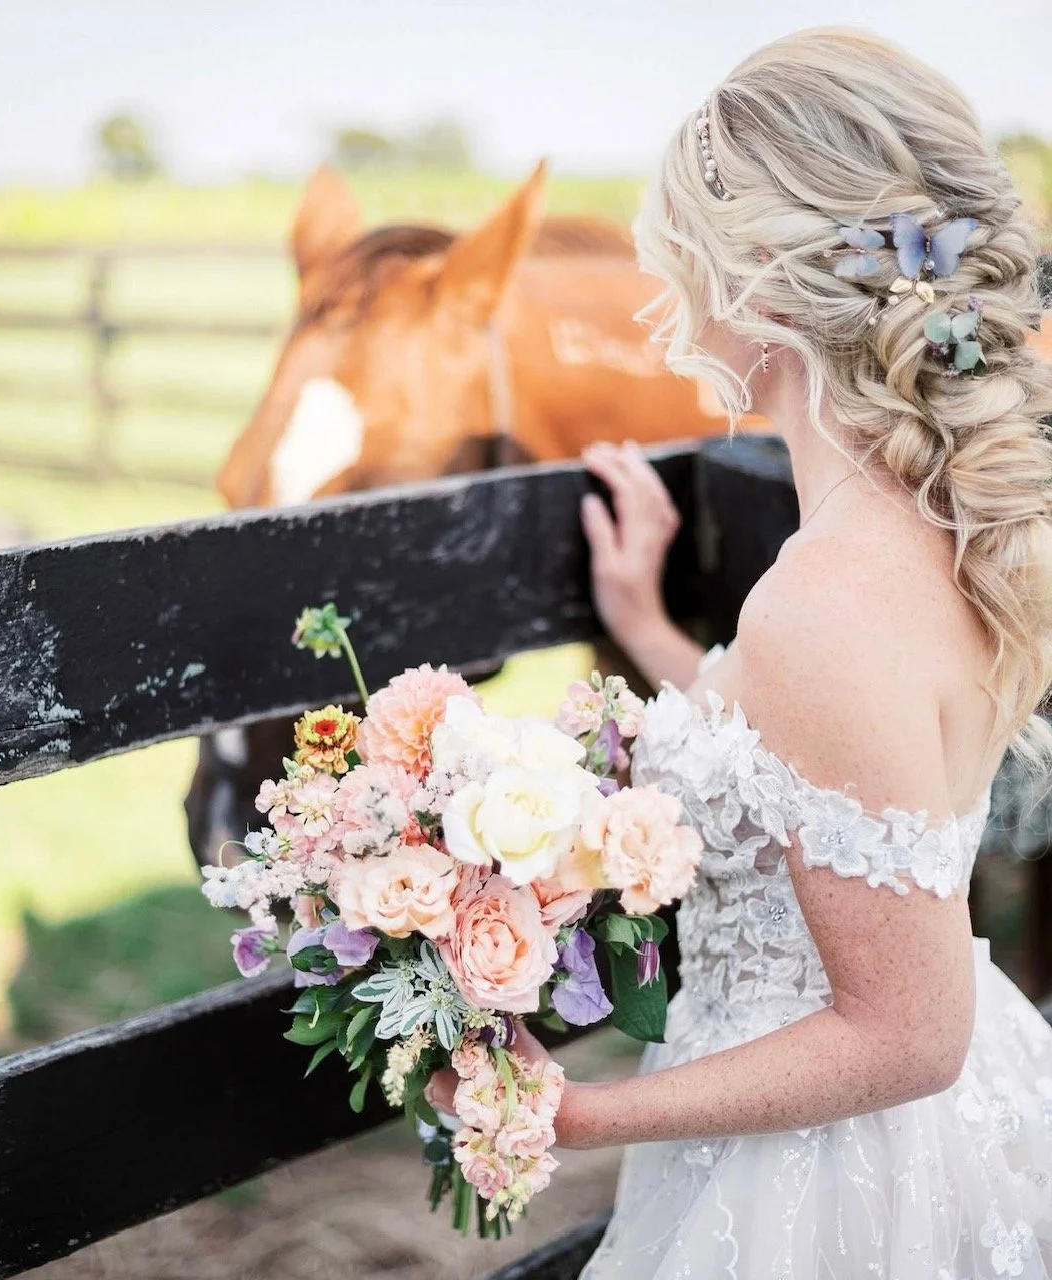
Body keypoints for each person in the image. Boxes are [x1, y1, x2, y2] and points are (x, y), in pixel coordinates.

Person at [428, 26, 1052, 1278]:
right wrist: (658, 630)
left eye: (683, 267)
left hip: (828, 1180)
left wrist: (586, 1112)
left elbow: (906, 1034)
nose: (669, 310)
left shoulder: (825, 602)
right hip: (938, 1124)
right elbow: (837, 769)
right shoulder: (947, 527)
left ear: (765, 286)